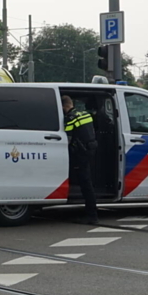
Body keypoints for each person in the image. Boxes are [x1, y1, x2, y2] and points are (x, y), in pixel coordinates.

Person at [62, 95, 98, 225]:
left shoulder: (70, 118)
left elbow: (67, 138)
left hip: (80, 153)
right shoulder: (84, 114)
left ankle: (92, 216)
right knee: (87, 182)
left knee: (85, 184)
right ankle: (91, 212)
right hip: (91, 149)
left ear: (64, 106)